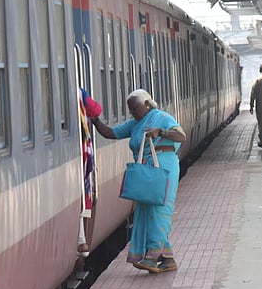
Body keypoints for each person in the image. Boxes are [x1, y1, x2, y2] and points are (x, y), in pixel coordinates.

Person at [91, 89, 187, 274]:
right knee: (147, 210)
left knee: (159, 210)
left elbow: (181, 136)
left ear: (147, 104)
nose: (132, 112)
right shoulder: (136, 124)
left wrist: (161, 132)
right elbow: (110, 133)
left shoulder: (162, 117)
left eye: (135, 108)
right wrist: (95, 120)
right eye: (130, 109)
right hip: (147, 169)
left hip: (163, 167)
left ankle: (152, 257)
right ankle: (167, 259)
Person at [77, 88, 102, 258]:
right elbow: (96, 110)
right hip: (81, 154)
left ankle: (81, 240)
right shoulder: (79, 92)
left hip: (76, 154)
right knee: (81, 195)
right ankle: (81, 240)